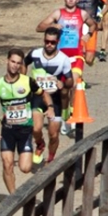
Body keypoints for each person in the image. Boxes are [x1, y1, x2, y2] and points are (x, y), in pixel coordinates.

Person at [0, 49, 53, 194]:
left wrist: (50, 106)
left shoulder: (28, 81)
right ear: (7, 61)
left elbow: (44, 94)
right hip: (8, 130)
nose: (15, 66)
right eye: (12, 62)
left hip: (25, 131)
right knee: (7, 164)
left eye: (18, 63)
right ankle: (13, 197)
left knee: (25, 168)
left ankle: (39, 143)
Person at [35, 0, 95, 136]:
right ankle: (65, 116)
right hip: (60, 58)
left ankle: (73, 119)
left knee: (73, 83)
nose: (71, 0)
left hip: (76, 57)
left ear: (77, 0)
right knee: (63, 91)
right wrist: (52, 26)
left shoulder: (82, 14)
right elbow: (39, 27)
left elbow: (94, 24)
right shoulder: (58, 13)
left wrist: (88, 34)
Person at [25, 29, 74, 164]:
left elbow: (71, 81)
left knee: (53, 135)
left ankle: (50, 158)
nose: (49, 44)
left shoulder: (63, 58)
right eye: (47, 41)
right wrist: (24, 79)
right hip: (38, 97)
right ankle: (40, 144)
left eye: (52, 42)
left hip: (55, 99)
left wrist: (62, 82)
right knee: (36, 128)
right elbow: (24, 63)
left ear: (58, 42)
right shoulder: (35, 54)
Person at [72, 0, 108, 68]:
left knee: (88, 59)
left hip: (91, 27)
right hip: (77, 27)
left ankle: (89, 62)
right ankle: (79, 79)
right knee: (79, 55)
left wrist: (100, 16)